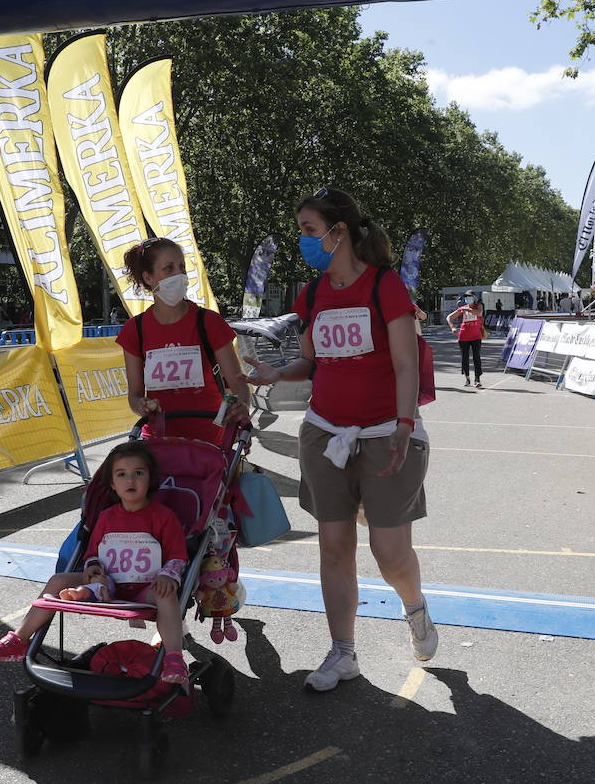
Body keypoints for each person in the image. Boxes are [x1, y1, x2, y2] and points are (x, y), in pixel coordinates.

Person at [242, 187, 437, 692]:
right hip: (324, 431)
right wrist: (273, 373)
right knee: (333, 545)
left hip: (385, 432)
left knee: (390, 552)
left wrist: (403, 423)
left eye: (309, 230)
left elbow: (404, 362)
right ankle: (343, 651)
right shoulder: (312, 293)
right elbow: (311, 361)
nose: (303, 241)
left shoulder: (384, 286)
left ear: (339, 231)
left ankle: (414, 606)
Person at [0, 442, 192, 684]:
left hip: (146, 586)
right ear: (112, 483)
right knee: (58, 579)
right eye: (121, 474)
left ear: (150, 480)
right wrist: (92, 566)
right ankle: (19, 639)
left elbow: (177, 556)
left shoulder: (163, 517)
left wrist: (167, 575)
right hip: (109, 581)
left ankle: (174, 657)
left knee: (167, 594)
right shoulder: (107, 516)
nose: (130, 480)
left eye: (138, 473)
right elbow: (93, 552)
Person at [117, 237, 251, 445]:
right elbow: (134, 397)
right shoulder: (135, 329)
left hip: (211, 443)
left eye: (182, 267)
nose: (179, 275)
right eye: (168, 269)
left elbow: (238, 385)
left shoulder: (209, 322)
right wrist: (142, 405)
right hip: (158, 443)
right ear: (149, 277)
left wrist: (240, 408)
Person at [447, 292, 485, 389]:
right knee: (465, 357)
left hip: (476, 336)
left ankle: (477, 379)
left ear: (474, 297)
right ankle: (467, 378)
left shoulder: (479, 306)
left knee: (477, 357)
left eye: (469, 297)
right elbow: (449, 317)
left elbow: (479, 313)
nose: (468, 299)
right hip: (463, 336)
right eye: (466, 297)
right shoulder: (462, 308)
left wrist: (467, 309)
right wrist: (453, 328)